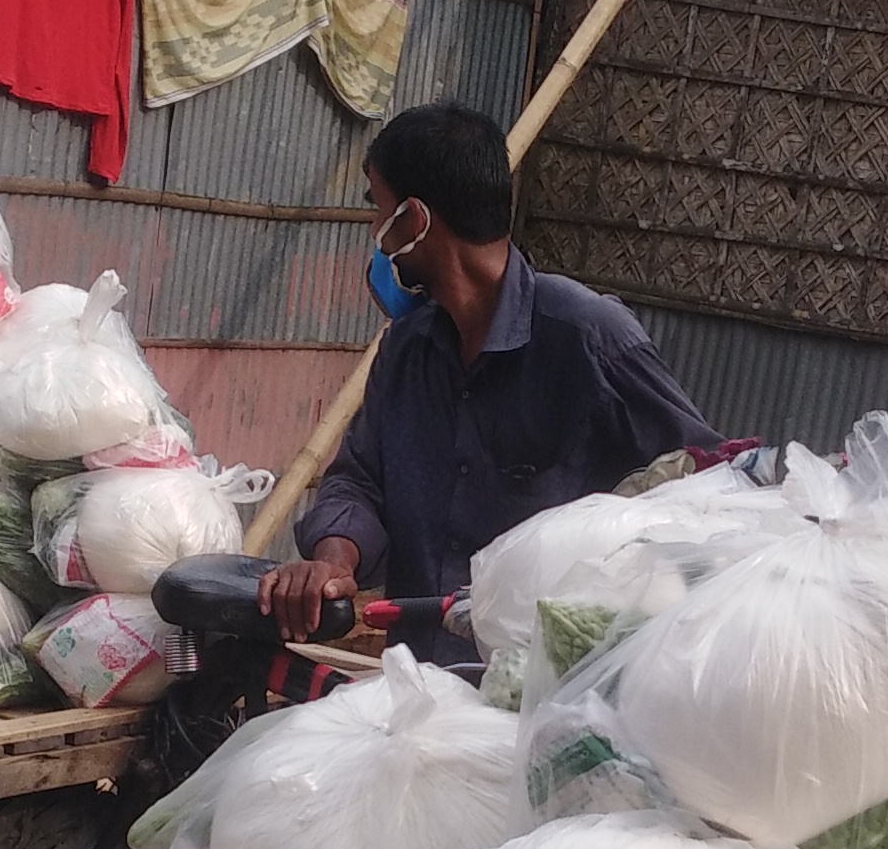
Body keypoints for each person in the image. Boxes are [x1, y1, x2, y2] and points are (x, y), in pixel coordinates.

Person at [261, 100, 719, 648]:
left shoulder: (589, 337)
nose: (373, 229)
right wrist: (333, 558)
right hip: (419, 689)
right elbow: (357, 479)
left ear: (412, 220)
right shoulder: (406, 352)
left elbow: (706, 485)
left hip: (539, 701)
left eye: (376, 209)